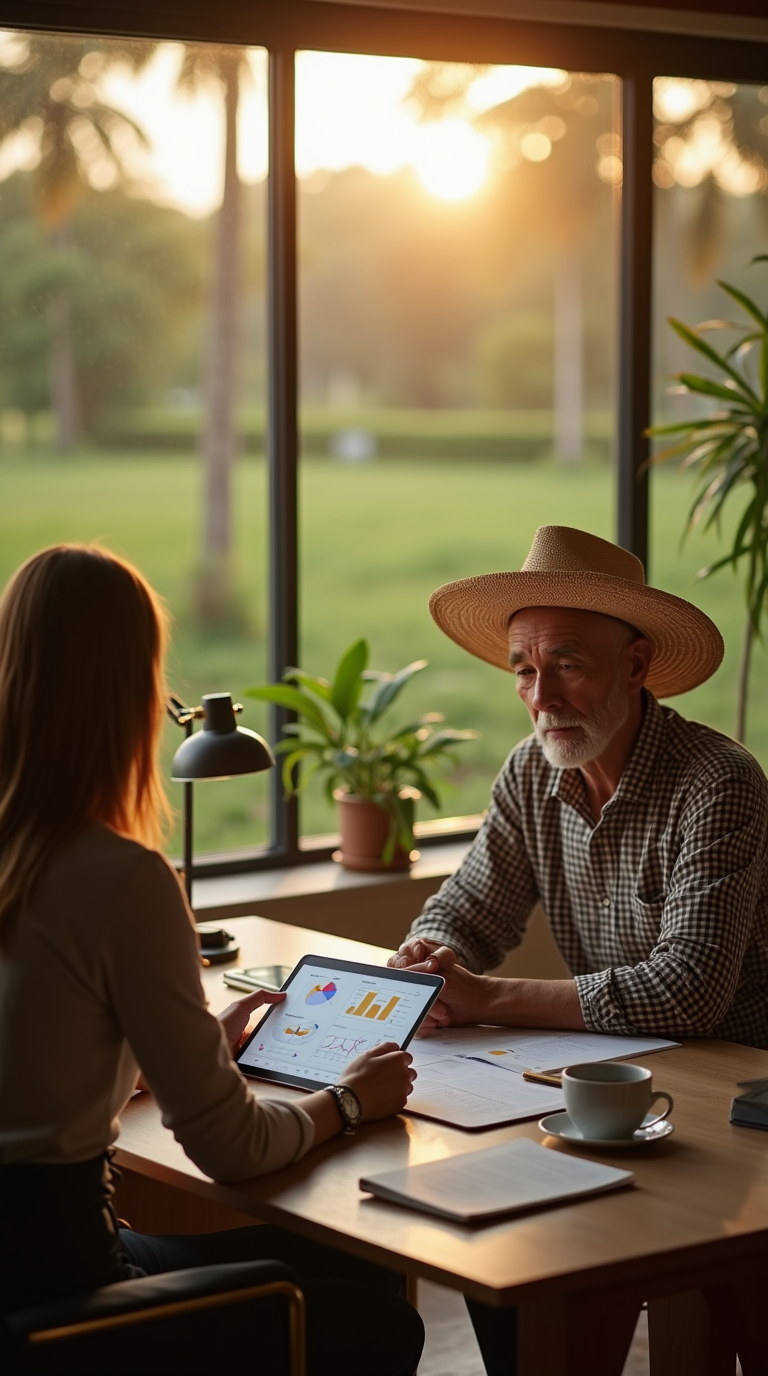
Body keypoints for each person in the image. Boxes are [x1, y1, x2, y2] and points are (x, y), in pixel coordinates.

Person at [0, 544, 424, 1375]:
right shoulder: (120, 877)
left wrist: (165, 1061)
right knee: (383, 1321)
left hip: (18, 1288)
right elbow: (231, 1148)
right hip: (72, 1295)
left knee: (359, 1266)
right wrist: (348, 1100)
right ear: (127, 696)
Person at [391, 524, 768, 1051]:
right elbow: (467, 912)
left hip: (734, 1082)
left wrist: (485, 997)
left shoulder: (718, 782)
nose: (543, 697)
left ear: (634, 665)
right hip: (607, 1067)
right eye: (524, 670)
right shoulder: (529, 770)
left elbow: (689, 990)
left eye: (567, 666)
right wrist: (428, 961)